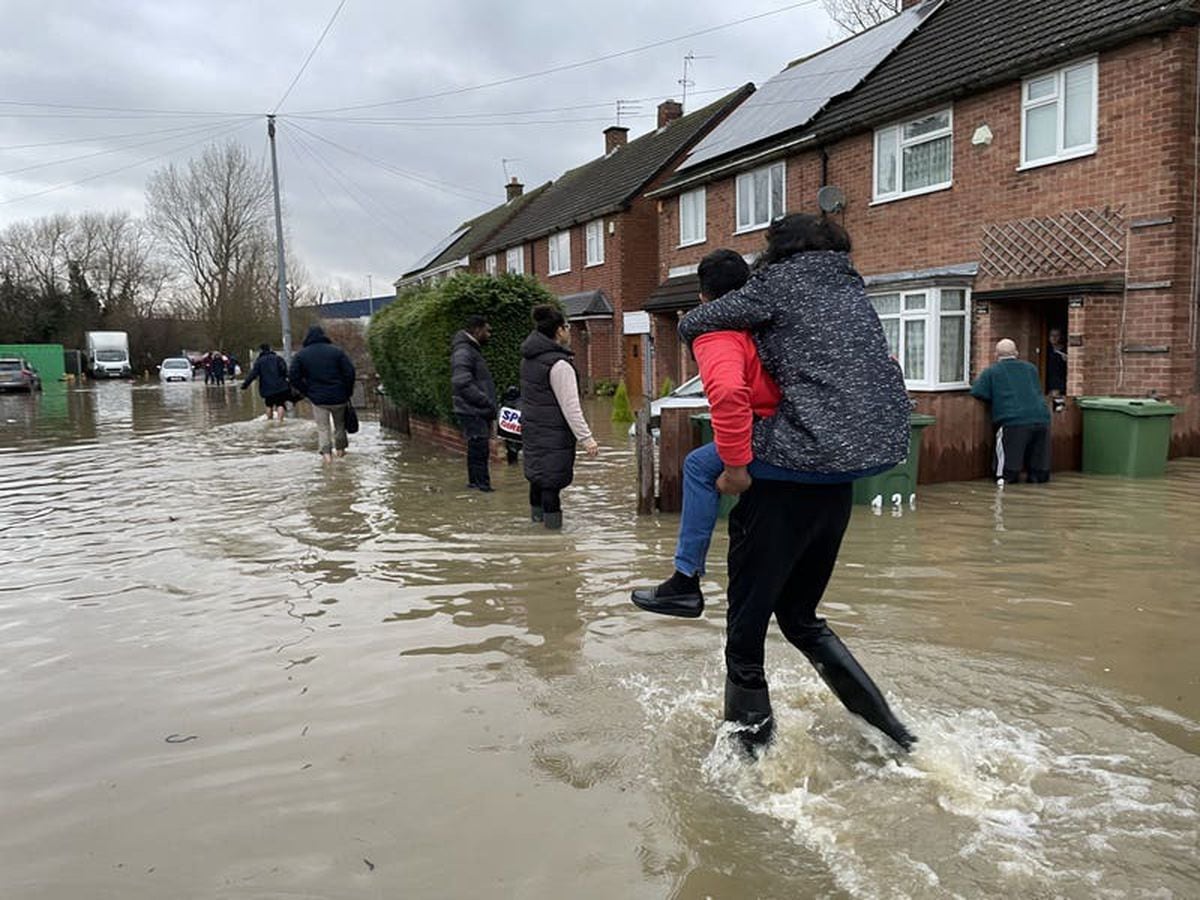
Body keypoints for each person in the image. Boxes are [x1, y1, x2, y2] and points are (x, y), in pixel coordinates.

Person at [664, 214, 917, 755]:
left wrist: (736, 464)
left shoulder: (777, 285)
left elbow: (710, 331)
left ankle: (748, 770)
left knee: (746, 634)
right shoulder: (852, 292)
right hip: (843, 474)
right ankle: (897, 737)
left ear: (779, 250)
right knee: (801, 618)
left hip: (788, 469)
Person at [632, 249, 894, 620]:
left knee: (696, 466)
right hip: (823, 437)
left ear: (703, 296)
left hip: (771, 429)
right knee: (800, 616)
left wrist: (736, 467)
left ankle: (686, 580)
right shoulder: (773, 320)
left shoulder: (717, 332)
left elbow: (726, 393)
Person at [519, 304, 599, 530]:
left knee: (537, 480)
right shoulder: (559, 364)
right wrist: (587, 438)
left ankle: (536, 530)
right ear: (558, 331)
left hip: (533, 432)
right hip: (553, 436)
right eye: (567, 327)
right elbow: (570, 406)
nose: (569, 332)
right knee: (551, 486)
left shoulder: (528, 359)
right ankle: (553, 538)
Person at [971, 338, 1052, 485]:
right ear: (1016, 352)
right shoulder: (1031, 368)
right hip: (1041, 420)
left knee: (1006, 474)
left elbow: (977, 391)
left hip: (1012, 421)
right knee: (1039, 474)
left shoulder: (992, 371)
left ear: (996, 354)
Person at [289, 324, 357, 464]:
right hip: (339, 396)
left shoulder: (301, 355)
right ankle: (341, 452)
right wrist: (347, 390)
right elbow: (350, 372)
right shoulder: (337, 352)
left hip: (318, 398)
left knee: (323, 428)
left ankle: (327, 458)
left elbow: (293, 376)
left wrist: (307, 391)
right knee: (340, 425)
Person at [451, 315, 498, 491]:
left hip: (472, 409)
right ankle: (482, 488)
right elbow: (461, 382)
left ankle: (476, 487)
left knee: (476, 450)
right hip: (473, 410)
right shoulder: (464, 351)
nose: (489, 334)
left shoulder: (469, 350)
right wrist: (485, 402)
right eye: (487, 330)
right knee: (479, 451)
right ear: (477, 330)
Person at [240, 342, 292, 421]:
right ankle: (280, 421)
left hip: (267, 388)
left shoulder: (259, 362)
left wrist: (245, 385)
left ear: (261, 351)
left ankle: (269, 420)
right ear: (270, 349)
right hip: (280, 386)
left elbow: (253, 375)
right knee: (280, 404)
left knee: (269, 405)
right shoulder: (278, 358)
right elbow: (285, 371)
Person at [1046, 327, 1068, 396]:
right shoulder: (1045, 350)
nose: (1054, 338)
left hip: (1060, 384)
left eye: (1056, 336)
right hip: (1047, 382)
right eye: (1052, 335)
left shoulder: (1066, 350)